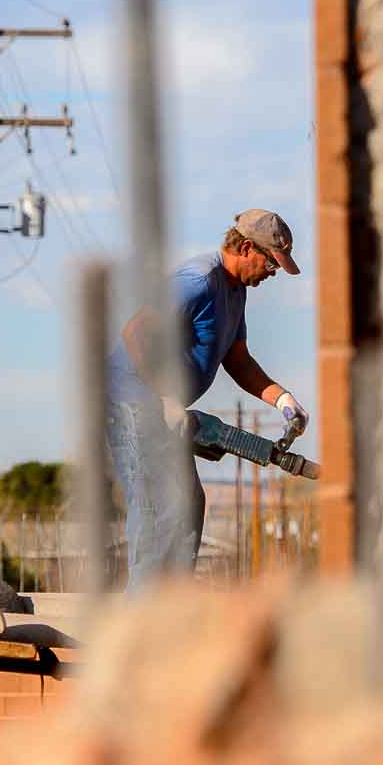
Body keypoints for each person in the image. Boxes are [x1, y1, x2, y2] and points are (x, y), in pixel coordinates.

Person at [106, 208, 308, 588]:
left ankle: (174, 604)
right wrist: (165, 398)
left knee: (186, 505)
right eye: (271, 263)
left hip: (160, 410)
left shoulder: (235, 292)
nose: (272, 273)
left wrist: (283, 399)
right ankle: (143, 614)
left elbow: (238, 360)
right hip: (133, 403)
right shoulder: (197, 281)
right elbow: (137, 333)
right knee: (159, 510)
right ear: (246, 248)